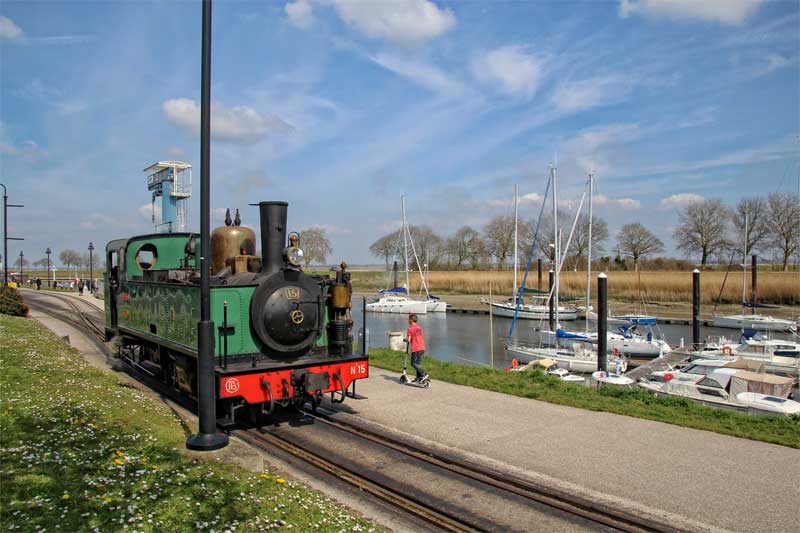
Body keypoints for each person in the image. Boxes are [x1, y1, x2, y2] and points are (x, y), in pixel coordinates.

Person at [404, 313, 428, 382]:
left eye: (409, 319)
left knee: (413, 363)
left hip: (416, 348)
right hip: (422, 347)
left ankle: (423, 373)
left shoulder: (410, 329)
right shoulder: (419, 328)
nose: (408, 320)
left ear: (411, 320)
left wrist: (405, 339)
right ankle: (418, 378)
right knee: (418, 364)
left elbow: (408, 340)